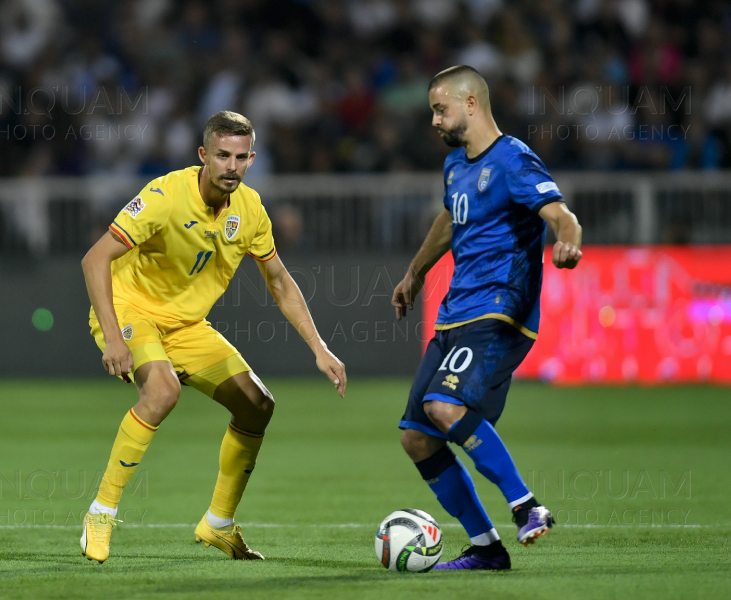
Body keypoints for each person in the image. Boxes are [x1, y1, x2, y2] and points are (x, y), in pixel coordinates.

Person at [80, 111, 346, 563]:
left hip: (186, 326)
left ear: (251, 159)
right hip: (132, 311)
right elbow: (94, 259)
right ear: (204, 155)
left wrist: (319, 347)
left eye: (241, 158)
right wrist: (113, 336)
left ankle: (218, 524)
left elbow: (280, 281)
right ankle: (100, 513)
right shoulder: (165, 196)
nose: (231, 166)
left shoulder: (251, 210)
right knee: (162, 393)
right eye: (222, 155)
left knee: (258, 404)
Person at [392, 66, 582, 571]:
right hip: (456, 313)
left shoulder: (514, 160)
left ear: (471, 104)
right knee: (416, 436)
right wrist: (414, 272)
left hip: (500, 310)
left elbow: (562, 213)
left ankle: (526, 505)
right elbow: (450, 219)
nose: (434, 120)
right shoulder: (457, 165)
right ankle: (485, 548)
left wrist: (568, 241)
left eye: (440, 108)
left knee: (444, 406)